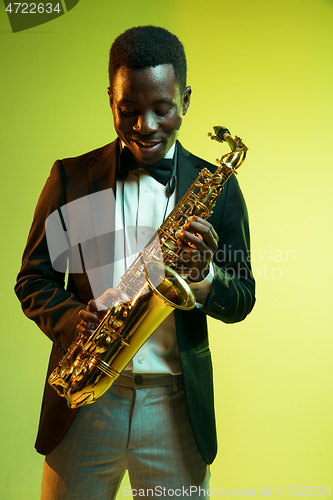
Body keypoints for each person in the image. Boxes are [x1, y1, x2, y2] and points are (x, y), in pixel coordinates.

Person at [15, 26, 255, 499]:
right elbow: (33, 278)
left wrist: (204, 275)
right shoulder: (71, 178)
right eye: (128, 111)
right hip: (85, 405)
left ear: (185, 100)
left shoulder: (219, 188)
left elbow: (242, 297)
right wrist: (72, 322)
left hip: (175, 409)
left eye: (162, 109)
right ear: (111, 99)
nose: (145, 126)